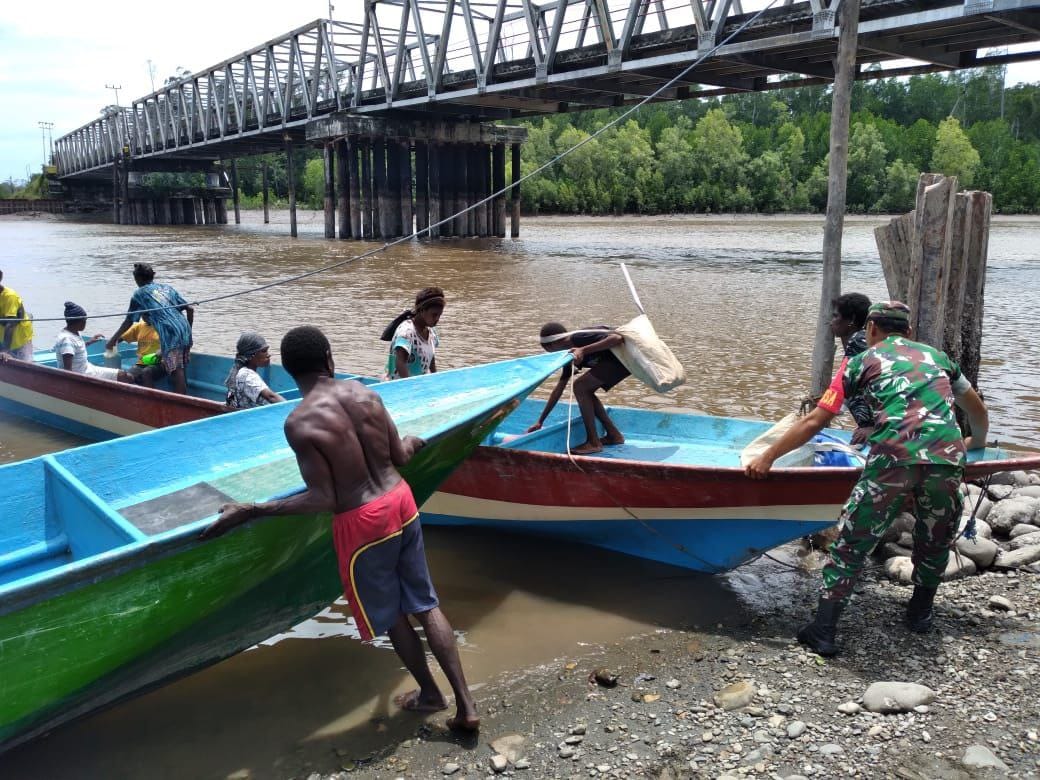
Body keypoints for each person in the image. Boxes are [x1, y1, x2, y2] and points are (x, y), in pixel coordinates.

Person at [202, 326, 479, 732]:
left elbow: (323, 498)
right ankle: (467, 706)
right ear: (329, 359)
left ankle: (432, 695)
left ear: (289, 373)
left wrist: (253, 509)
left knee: (392, 614)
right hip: (401, 501)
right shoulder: (365, 393)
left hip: (365, 522)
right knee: (424, 602)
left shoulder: (300, 423)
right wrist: (416, 441)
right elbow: (400, 454)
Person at [745, 301, 989, 657]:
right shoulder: (940, 360)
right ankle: (920, 614)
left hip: (893, 460)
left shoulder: (859, 362)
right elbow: (976, 409)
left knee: (851, 544)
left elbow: (815, 421)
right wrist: (976, 444)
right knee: (935, 539)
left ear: (871, 328)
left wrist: (767, 456)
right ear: (908, 331)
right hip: (946, 459)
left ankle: (823, 631)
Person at [529, 322, 629, 454]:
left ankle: (593, 442)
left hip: (624, 359)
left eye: (550, 351)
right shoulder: (568, 355)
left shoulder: (578, 338)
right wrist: (540, 421)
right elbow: (559, 389)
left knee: (580, 386)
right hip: (616, 363)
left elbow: (617, 338)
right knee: (585, 390)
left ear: (553, 344)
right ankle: (614, 435)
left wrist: (583, 349)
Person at [106, 263, 194, 394]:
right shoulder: (166, 288)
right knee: (179, 366)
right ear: (152, 276)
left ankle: (182, 403)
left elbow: (129, 321)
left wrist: (112, 340)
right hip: (185, 328)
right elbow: (190, 309)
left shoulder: (139, 294)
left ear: (138, 279)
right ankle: (184, 400)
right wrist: (186, 332)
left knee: (177, 371)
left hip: (170, 333)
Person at [829, 292, 874, 445]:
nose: (831, 322)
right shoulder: (863, 339)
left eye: (835, 316)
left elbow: (846, 386)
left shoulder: (858, 341)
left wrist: (872, 427)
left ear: (852, 320)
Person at [54, 302, 132, 382]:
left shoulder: (74, 332)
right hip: (82, 375)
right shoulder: (66, 339)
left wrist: (90, 342)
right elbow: (68, 372)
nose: (85, 323)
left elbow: (74, 349)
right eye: (84, 320)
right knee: (125, 376)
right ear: (77, 321)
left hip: (88, 368)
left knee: (125, 375)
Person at [384, 288, 444, 380]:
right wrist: (410, 387)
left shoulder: (431, 333)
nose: (437, 319)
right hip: (398, 387)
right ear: (422, 310)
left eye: (439, 315)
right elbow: (400, 362)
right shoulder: (406, 332)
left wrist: (436, 379)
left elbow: (431, 359)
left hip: (418, 386)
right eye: (434, 315)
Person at [224, 332, 286, 409]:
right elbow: (271, 397)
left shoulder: (241, 371)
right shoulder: (248, 375)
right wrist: (291, 408)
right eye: (264, 351)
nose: (268, 355)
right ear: (251, 355)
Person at [119, 311, 165, 387]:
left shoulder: (163, 327)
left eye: (149, 313)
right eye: (144, 314)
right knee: (125, 376)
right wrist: (112, 342)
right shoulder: (139, 326)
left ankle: (151, 397)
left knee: (146, 372)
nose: (147, 316)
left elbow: (172, 344)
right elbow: (122, 337)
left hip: (160, 363)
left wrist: (162, 351)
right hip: (142, 363)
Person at [0, 269, 34, 361]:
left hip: (19, 337)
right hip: (2, 336)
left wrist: (5, 350)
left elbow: (10, 324)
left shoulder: (10, 296)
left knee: (25, 368)